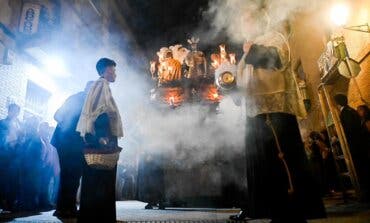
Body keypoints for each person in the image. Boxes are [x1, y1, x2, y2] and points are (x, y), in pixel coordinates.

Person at [230, 17, 326, 222]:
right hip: (254, 113)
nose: (244, 26)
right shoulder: (246, 50)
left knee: (282, 161)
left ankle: (293, 214)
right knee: (266, 167)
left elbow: (278, 58)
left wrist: (253, 49)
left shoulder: (274, 38)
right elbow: (241, 85)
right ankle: (276, 212)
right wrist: (230, 87)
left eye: (248, 22)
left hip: (275, 110)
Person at [76, 58, 123, 222]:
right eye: (113, 70)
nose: (115, 73)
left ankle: (97, 216)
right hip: (102, 139)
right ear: (105, 71)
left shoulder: (103, 86)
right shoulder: (101, 84)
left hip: (103, 137)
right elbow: (97, 113)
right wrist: (102, 138)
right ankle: (99, 217)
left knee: (100, 179)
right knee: (101, 180)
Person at [51, 81, 94, 218]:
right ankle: (67, 208)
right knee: (73, 175)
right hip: (71, 143)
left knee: (67, 176)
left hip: (65, 142)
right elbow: (59, 116)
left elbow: (57, 115)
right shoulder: (81, 100)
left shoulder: (75, 98)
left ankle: (63, 208)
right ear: (88, 89)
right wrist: (69, 129)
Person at [334, 94, 369, 201]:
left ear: (338, 103)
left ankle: (365, 193)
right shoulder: (351, 110)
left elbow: (350, 130)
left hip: (355, 146)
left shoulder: (346, 113)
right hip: (359, 145)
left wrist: (340, 138)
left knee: (361, 169)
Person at [0, 103, 21, 212]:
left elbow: (22, 139)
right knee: (3, 180)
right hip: (4, 156)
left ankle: (9, 203)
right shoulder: (2, 123)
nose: (15, 113)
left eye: (17, 111)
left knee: (12, 180)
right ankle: (3, 204)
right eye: (13, 110)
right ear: (9, 111)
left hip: (15, 157)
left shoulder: (19, 125)